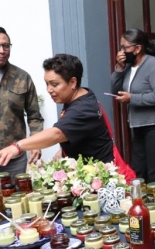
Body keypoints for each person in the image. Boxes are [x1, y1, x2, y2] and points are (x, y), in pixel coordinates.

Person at [0, 54, 113, 166]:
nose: (49, 89)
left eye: (54, 84)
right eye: (47, 84)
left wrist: (16, 147)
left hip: (100, 172)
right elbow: (79, 131)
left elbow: (57, 133)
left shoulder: (82, 109)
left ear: (73, 82)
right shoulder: (83, 94)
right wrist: (64, 150)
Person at [110, 29, 155, 192]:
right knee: (137, 171)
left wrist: (132, 98)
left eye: (125, 48)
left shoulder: (153, 65)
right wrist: (119, 68)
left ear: (137, 48)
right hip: (138, 126)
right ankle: (139, 204)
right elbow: (116, 89)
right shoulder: (128, 66)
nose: (121, 52)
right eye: (121, 47)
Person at [0, 27, 44, 181]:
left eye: (6, 46)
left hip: (14, 158)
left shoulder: (22, 78)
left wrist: (36, 143)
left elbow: (34, 116)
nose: (2, 51)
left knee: (18, 195)